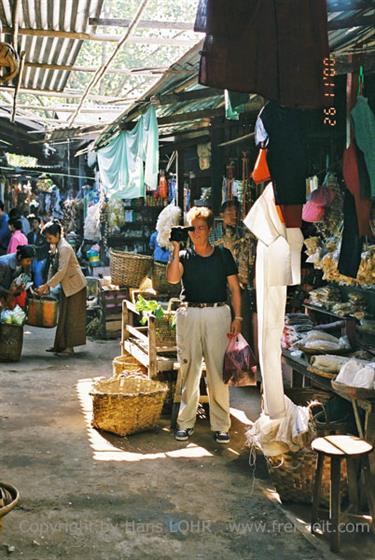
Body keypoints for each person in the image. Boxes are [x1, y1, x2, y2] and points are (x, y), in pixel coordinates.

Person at [167, 206, 242, 444]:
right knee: (189, 369)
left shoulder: (222, 255)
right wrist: (176, 250)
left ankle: (221, 425)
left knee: (218, 373)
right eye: (192, 228)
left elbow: (234, 289)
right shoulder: (185, 256)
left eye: (201, 228)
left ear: (209, 230)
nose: (196, 233)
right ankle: (185, 423)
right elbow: (172, 278)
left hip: (218, 313)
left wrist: (238, 317)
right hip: (190, 313)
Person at [36, 220, 87, 357]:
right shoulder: (58, 246)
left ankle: (69, 348)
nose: (48, 241)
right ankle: (60, 345)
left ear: (58, 234)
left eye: (50, 238)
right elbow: (55, 268)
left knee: (71, 317)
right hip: (68, 286)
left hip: (76, 286)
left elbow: (61, 272)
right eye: (47, 238)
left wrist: (47, 286)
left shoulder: (64, 248)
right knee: (63, 315)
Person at [211, 199, 257, 346]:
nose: (233, 216)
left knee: (242, 328)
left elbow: (251, 260)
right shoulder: (214, 237)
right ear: (221, 214)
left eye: (236, 213)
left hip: (241, 287)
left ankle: (243, 365)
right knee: (221, 330)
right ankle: (223, 363)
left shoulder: (245, 236)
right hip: (219, 289)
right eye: (230, 212)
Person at [27, 215, 50, 287]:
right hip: (33, 257)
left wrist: (35, 248)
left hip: (41, 257)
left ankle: (38, 288)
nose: (33, 224)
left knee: (38, 271)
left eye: (35, 222)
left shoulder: (43, 234)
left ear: (39, 223)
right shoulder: (29, 235)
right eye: (32, 223)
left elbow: (46, 246)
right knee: (32, 272)